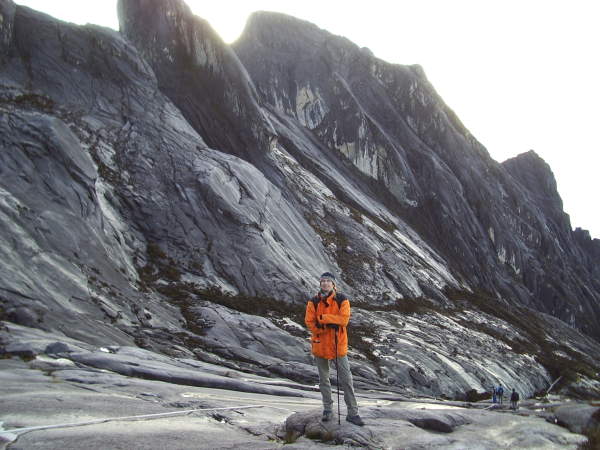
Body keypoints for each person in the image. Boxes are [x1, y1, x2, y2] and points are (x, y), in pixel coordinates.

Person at [305, 272, 364, 426]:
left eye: (328, 281)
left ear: (333, 284)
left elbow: (344, 320)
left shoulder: (341, 299)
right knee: (324, 380)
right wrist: (327, 326)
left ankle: (353, 412)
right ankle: (327, 409)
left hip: (338, 345)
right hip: (320, 345)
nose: (325, 283)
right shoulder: (313, 301)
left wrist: (324, 319)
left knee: (347, 379)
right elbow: (310, 323)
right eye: (323, 281)